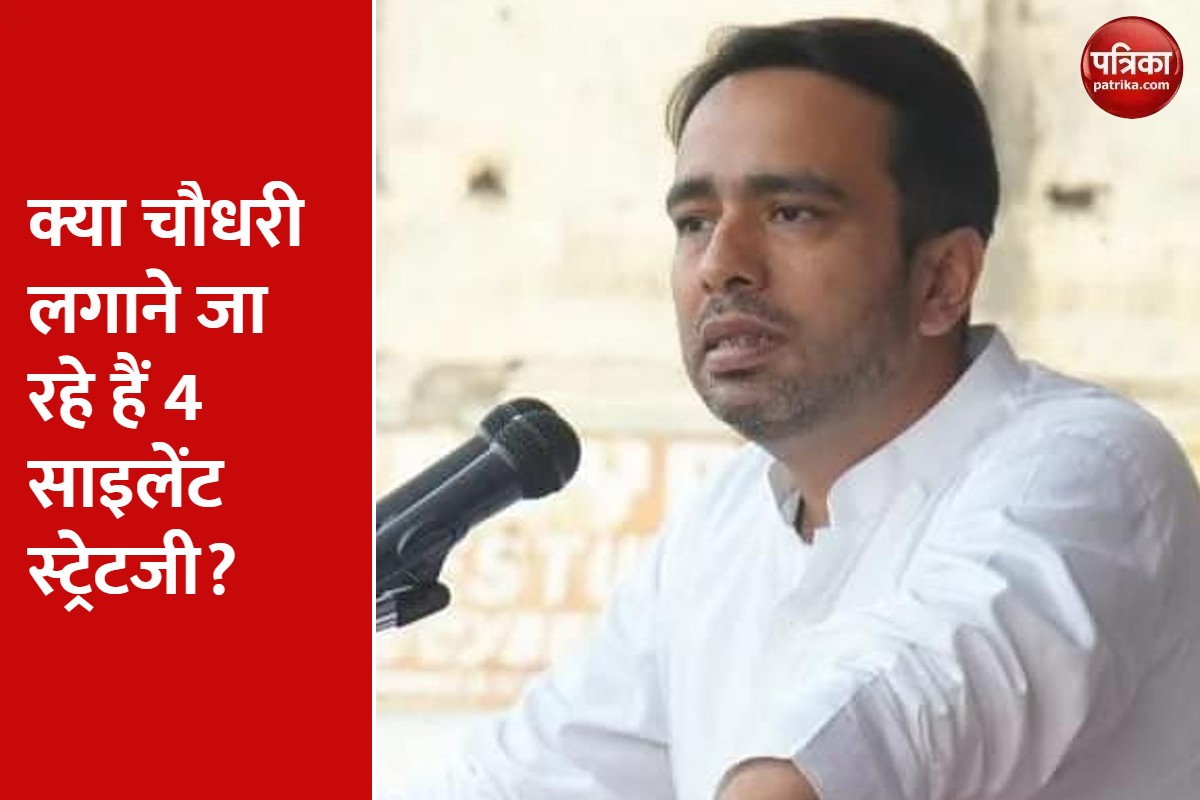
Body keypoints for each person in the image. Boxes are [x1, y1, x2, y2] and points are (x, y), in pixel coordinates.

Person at [403, 18, 1200, 800]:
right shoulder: (721, 523)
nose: (721, 265)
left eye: (791, 213)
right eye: (694, 222)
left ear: (942, 280)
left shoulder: (1087, 470)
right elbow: (527, 775)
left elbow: (858, 747)